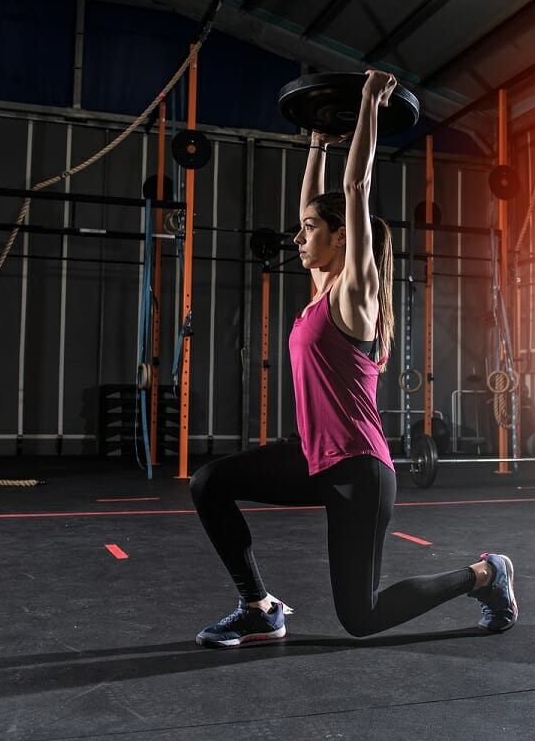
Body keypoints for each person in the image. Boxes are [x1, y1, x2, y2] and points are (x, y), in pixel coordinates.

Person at [189, 69, 516, 648]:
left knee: (359, 617)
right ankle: (260, 607)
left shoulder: (356, 294)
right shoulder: (320, 289)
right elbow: (311, 199)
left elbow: (357, 188)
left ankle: (487, 574)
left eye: (311, 229)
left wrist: (367, 104)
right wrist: (316, 138)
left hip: (358, 472)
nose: (298, 238)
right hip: (315, 457)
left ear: (343, 237)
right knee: (211, 482)